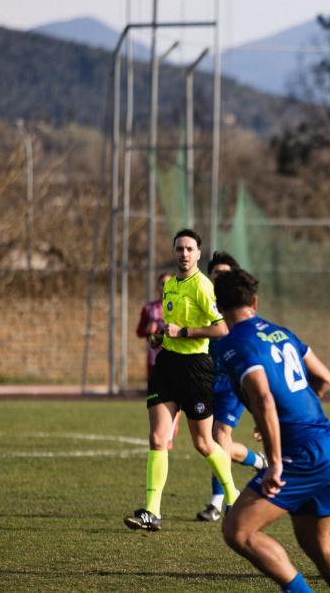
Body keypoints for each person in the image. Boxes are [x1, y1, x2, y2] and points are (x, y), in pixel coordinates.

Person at [213, 269, 330, 593]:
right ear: (255, 301)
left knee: (238, 531)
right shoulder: (282, 332)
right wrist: (282, 420)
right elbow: (324, 378)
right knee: (315, 541)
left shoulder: (232, 344)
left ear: (218, 306)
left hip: (300, 454)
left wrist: (275, 461)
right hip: (329, 442)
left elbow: (263, 396)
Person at [125, 228, 242, 532]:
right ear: (174, 252)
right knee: (157, 439)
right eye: (179, 249)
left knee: (204, 443)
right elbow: (172, 325)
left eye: (190, 249)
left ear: (199, 254)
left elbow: (221, 329)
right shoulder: (171, 286)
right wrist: (160, 337)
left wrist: (185, 333)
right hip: (167, 365)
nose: (184, 254)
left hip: (195, 368)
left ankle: (233, 495)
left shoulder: (204, 287)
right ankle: (152, 512)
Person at [197, 250, 268, 523]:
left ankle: (221, 500)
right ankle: (256, 461)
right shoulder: (201, 303)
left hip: (230, 383)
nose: (220, 280)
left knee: (218, 436)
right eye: (216, 276)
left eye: (225, 275)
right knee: (209, 442)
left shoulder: (238, 313)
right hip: (204, 380)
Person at [136, 272, 180, 450]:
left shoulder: (179, 305)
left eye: (168, 283)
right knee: (157, 400)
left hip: (177, 359)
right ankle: (163, 429)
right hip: (155, 361)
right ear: (157, 286)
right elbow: (140, 332)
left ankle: (168, 434)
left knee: (177, 397)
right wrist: (149, 330)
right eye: (162, 283)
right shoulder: (150, 309)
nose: (164, 287)